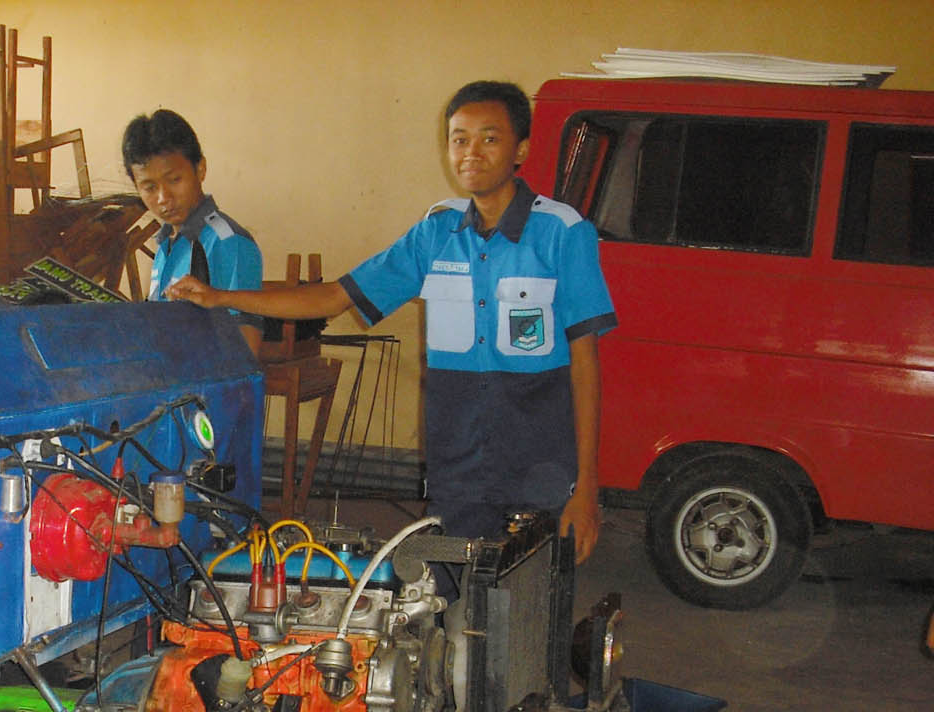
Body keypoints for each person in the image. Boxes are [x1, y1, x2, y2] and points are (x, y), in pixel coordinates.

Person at [169, 81, 615, 564]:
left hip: (541, 473)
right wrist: (220, 297)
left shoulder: (562, 233)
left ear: (520, 149)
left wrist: (585, 488)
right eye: (459, 138)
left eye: (489, 138)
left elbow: (585, 363)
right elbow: (336, 296)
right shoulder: (434, 235)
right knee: (454, 606)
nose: (471, 152)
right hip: (458, 472)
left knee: (531, 607)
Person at [123, 108, 264, 356]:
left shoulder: (228, 242)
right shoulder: (166, 244)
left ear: (200, 169)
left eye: (175, 180)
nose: (163, 198)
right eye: (149, 187)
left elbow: (245, 348)